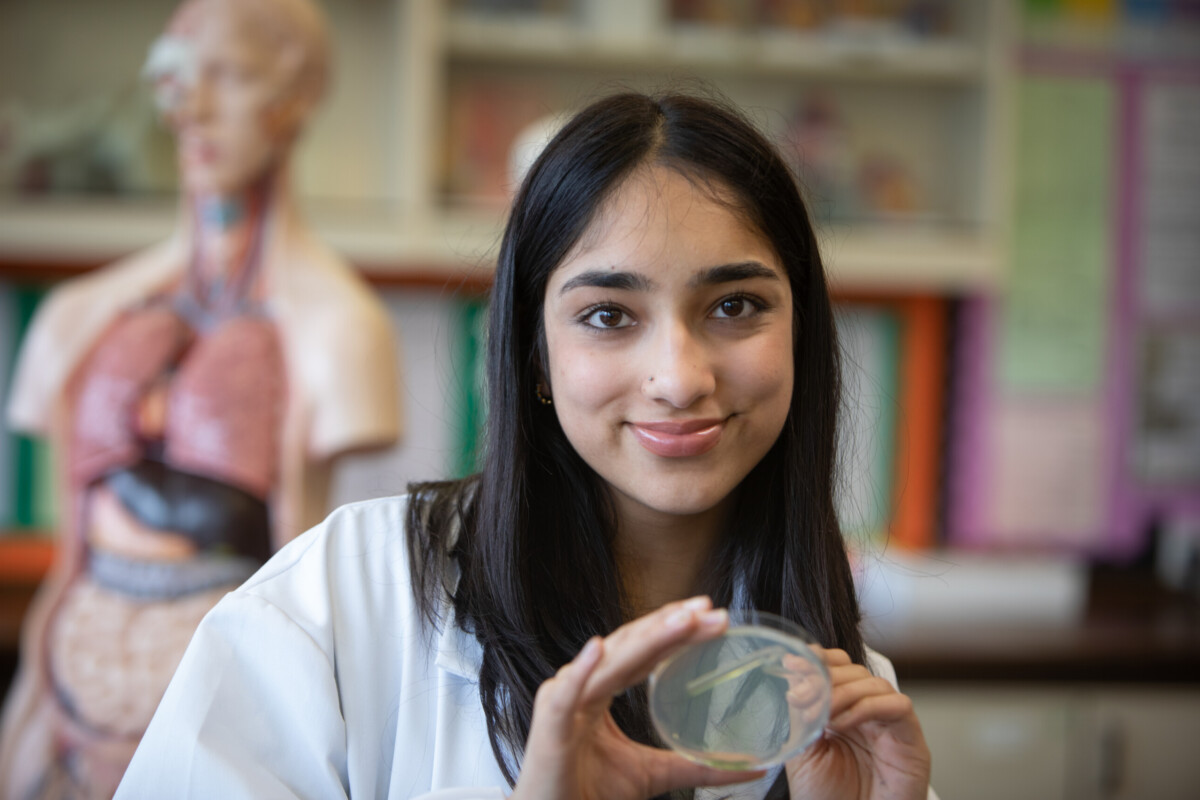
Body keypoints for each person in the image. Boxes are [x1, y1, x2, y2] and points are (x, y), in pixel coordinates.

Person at [114, 91, 932, 800]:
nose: (680, 378)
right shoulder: (340, 600)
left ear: (800, 333)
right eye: (608, 315)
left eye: (735, 306)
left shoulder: (848, 702)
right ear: (536, 354)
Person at [0, 1, 400, 797]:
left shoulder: (340, 330)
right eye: (182, 75)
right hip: (65, 731)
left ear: (295, 97)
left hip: (229, 739)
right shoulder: (81, 317)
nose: (193, 105)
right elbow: (68, 563)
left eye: (232, 75)